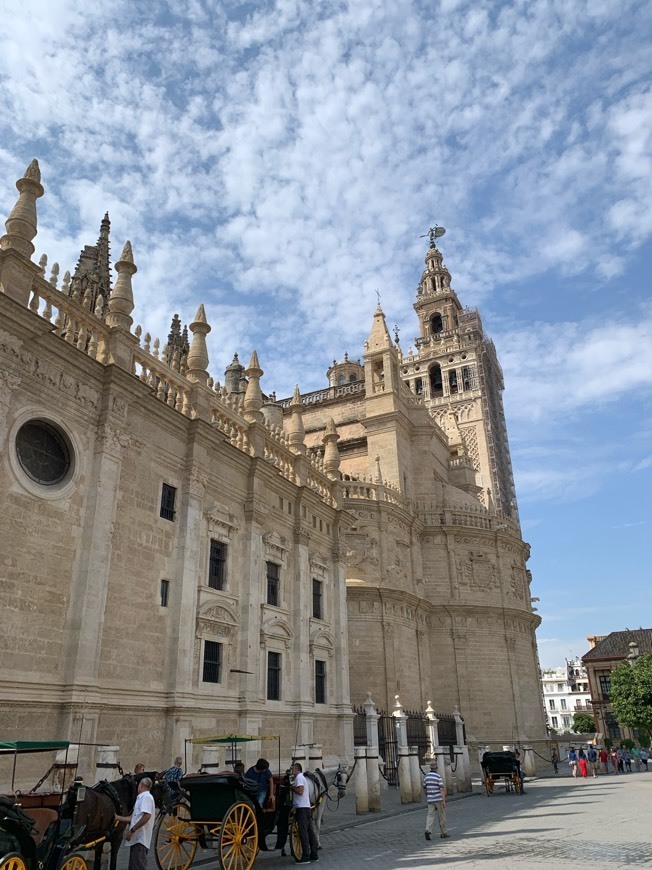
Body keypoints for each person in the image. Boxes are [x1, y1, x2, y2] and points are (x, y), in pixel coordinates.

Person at [116, 777, 155, 870]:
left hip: (140, 839)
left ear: (141, 786)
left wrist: (132, 830)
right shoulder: (142, 798)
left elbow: (147, 816)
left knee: (138, 866)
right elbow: (133, 818)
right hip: (136, 840)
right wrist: (118, 818)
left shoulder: (146, 797)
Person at [289, 762, 318, 864]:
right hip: (306, 807)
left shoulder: (299, 778)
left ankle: (305, 856)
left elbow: (300, 791)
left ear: (296, 769)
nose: (292, 772)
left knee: (303, 832)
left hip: (302, 808)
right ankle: (314, 854)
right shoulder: (301, 778)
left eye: (292, 770)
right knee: (309, 831)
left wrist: (291, 787)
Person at [422, 759, 449, 840]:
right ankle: (443, 832)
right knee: (441, 816)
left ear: (430, 768)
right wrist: (444, 801)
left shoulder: (426, 777)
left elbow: (424, 788)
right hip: (438, 799)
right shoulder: (438, 777)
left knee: (430, 816)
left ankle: (428, 830)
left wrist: (427, 795)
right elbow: (441, 789)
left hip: (430, 799)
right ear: (436, 768)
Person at [274, 769, 293, 857]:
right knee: (283, 825)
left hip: (280, 806)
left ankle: (281, 845)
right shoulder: (290, 782)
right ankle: (282, 845)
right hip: (284, 807)